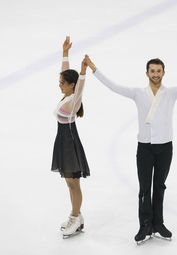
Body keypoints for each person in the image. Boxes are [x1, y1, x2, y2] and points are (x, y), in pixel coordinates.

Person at [84, 46, 177, 243]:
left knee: (160, 186)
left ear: (164, 73)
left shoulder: (171, 93)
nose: (156, 74)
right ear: (147, 73)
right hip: (145, 147)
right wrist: (94, 69)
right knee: (145, 188)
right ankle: (144, 225)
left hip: (165, 147)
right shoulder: (138, 93)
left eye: (159, 71)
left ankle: (159, 223)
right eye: (152, 71)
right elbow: (114, 87)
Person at [51, 36, 90, 238]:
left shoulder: (74, 100)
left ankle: (75, 217)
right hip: (63, 140)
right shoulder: (67, 95)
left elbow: (80, 88)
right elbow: (67, 74)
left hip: (69, 142)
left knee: (73, 182)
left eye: (62, 83)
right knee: (69, 182)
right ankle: (77, 216)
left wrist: (83, 73)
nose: (59, 85)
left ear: (71, 85)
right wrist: (65, 53)